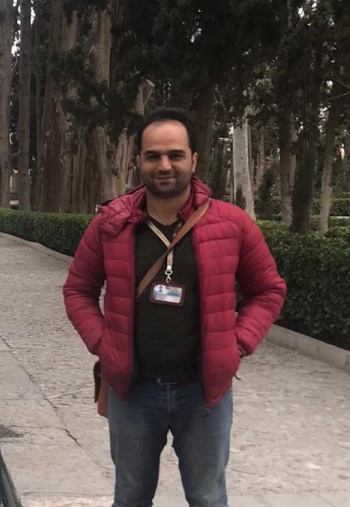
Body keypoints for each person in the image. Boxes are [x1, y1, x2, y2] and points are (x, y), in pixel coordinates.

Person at [63, 107, 286, 507]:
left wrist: (236, 344)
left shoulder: (231, 224)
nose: (164, 165)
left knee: (207, 497)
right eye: (153, 156)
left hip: (203, 394)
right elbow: (78, 289)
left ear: (194, 160)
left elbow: (268, 290)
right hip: (132, 393)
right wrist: (103, 343)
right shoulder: (111, 225)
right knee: (130, 497)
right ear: (138, 161)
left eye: (175, 155)